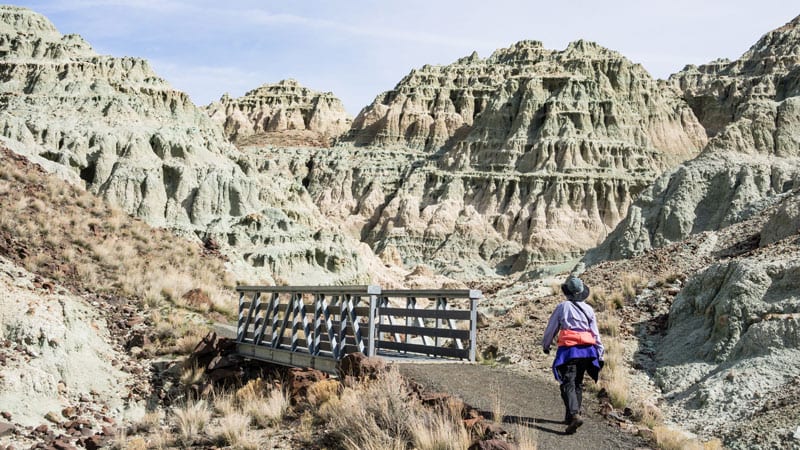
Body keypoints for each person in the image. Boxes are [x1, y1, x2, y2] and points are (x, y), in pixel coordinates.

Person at [542, 276, 604, 434]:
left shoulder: (563, 307)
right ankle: (571, 416)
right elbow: (595, 334)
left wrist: (546, 345)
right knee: (577, 382)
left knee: (567, 382)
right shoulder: (589, 309)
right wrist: (600, 353)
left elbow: (552, 328)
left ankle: (575, 415)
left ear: (567, 292)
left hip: (570, 350)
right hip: (587, 351)